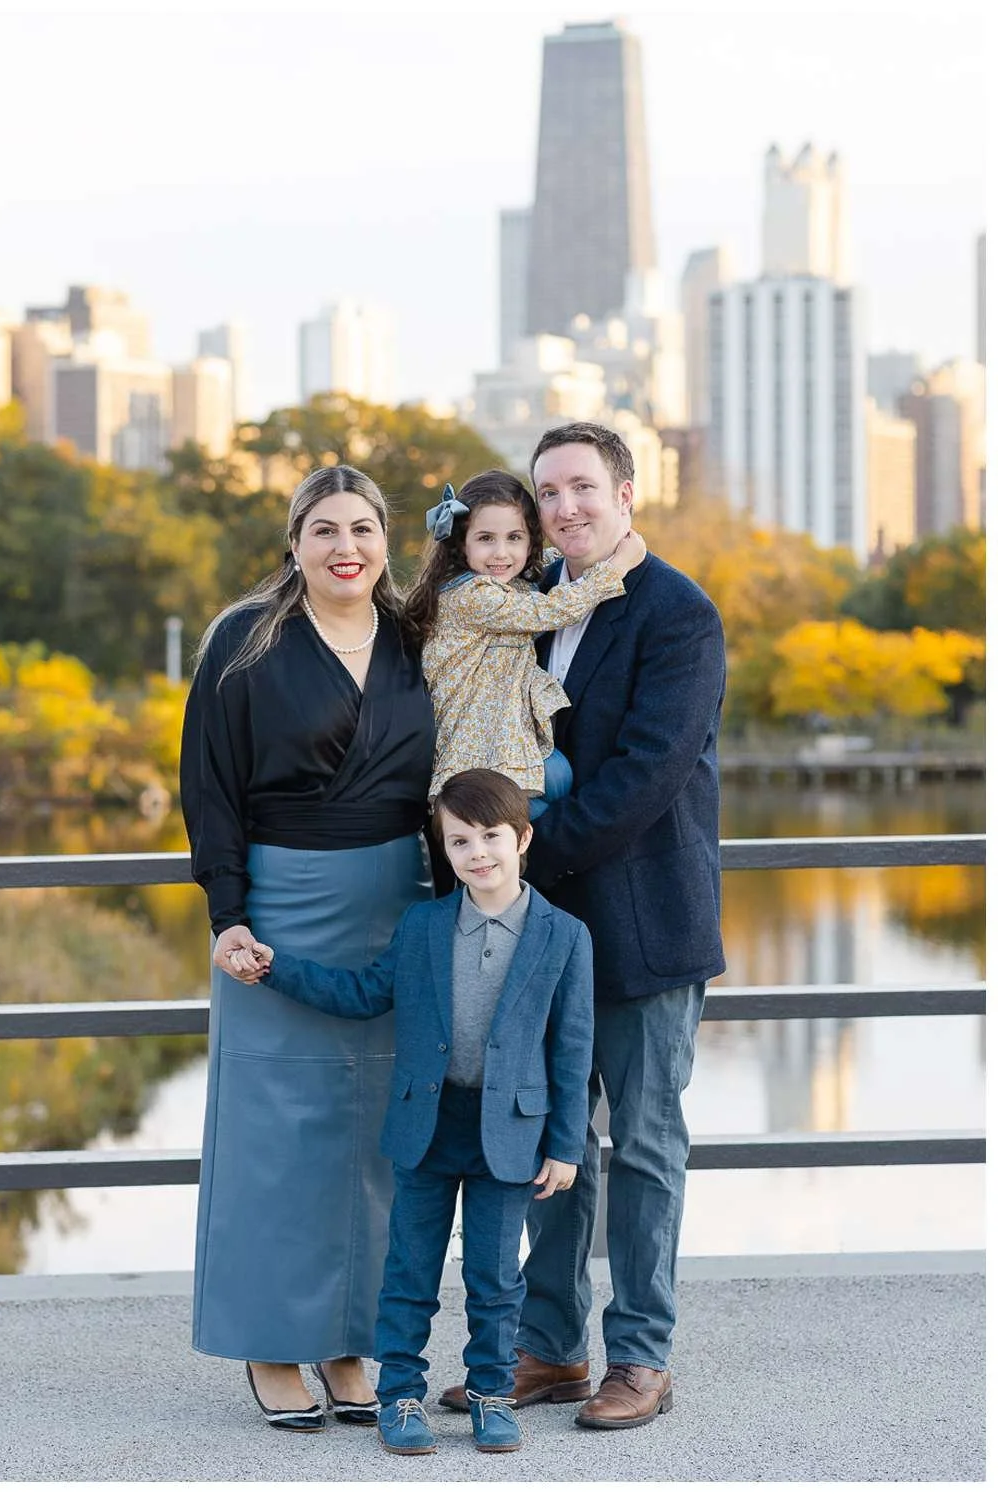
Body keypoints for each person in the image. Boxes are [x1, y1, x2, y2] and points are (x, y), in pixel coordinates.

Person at [438, 421, 726, 1430]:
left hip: (644, 924)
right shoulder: (527, 606)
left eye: (582, 489)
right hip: (544, 933)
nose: (564, 507)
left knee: (643, 1144)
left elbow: (646, 776)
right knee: (551, 1137)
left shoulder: (679, 614)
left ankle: (640, 1356)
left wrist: (518, 860)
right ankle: (551, 1349)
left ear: (627, 493)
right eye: (548, 492)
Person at [224, 769, 594, 1456]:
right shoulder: (423, 925)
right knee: (410, 1273)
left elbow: (572, 1050)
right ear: (443, 849)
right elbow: (364, 992)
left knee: (494, 1276)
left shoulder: (565, 936)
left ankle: (491, 1394)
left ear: (524, 837)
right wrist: (277, 968)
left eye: (491, 837)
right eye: (459, 841)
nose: (478, 853)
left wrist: (566, 1146)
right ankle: (400, 1396)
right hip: (427, 1127)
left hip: (508, 1135)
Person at [179, 464, 437, 1433]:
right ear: (293, 541)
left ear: (386, 541)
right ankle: (270, 1341)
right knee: (275, 1131)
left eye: (364, 529)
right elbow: (208, 788)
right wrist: (228, 914)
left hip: (398, 904)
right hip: (277, 909)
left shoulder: (420, 638)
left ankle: (350, 1339)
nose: (346, 548)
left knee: (378, 1138)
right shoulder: (244, 642)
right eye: (324, 529)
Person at [405, 470, 645, 812]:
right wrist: (618, 565)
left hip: (506, 740)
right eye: (486, 538)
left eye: (515, 538)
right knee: (534, 819)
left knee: (560, 776)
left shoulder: (505, 584)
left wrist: (582, 549)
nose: (501, 553)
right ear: (462, 543)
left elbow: (541, 567)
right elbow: (553, 610)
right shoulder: (472, 596)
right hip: (478, 752)